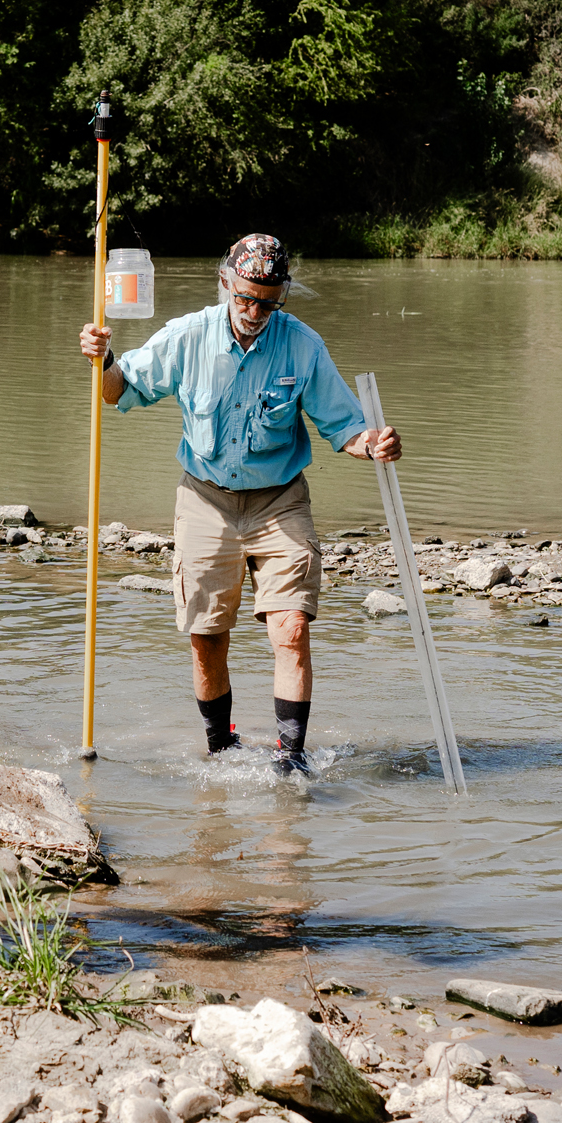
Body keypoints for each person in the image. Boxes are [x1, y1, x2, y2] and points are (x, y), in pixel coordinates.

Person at [77, 235, 398, 774]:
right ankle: (220, 748)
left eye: (268, 302)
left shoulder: (302, 346)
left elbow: (343, 426)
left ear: (282, 297)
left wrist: (372, 444)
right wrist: (102, 357)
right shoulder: (187, 337)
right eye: (246, 298)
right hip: (205, 500)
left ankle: (289, 762)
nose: (254, 312)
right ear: (225, 283)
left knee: (291, 628)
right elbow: (117, 391)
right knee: (207, 639)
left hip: (280, 502)